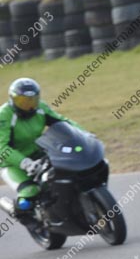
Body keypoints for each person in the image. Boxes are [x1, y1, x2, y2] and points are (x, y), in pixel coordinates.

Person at [0, 78, 83, 221]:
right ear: (12, 99)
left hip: (38, 153)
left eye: (32, 100)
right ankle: (16, 210)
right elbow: (2, 148)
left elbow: (63, 122)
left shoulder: (40, 108)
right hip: (12, 163)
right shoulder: (4, 115)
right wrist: (24, 163)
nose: (29, 106)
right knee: (29, 193)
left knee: (68, 169)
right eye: (23, 101)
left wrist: (84, 134)